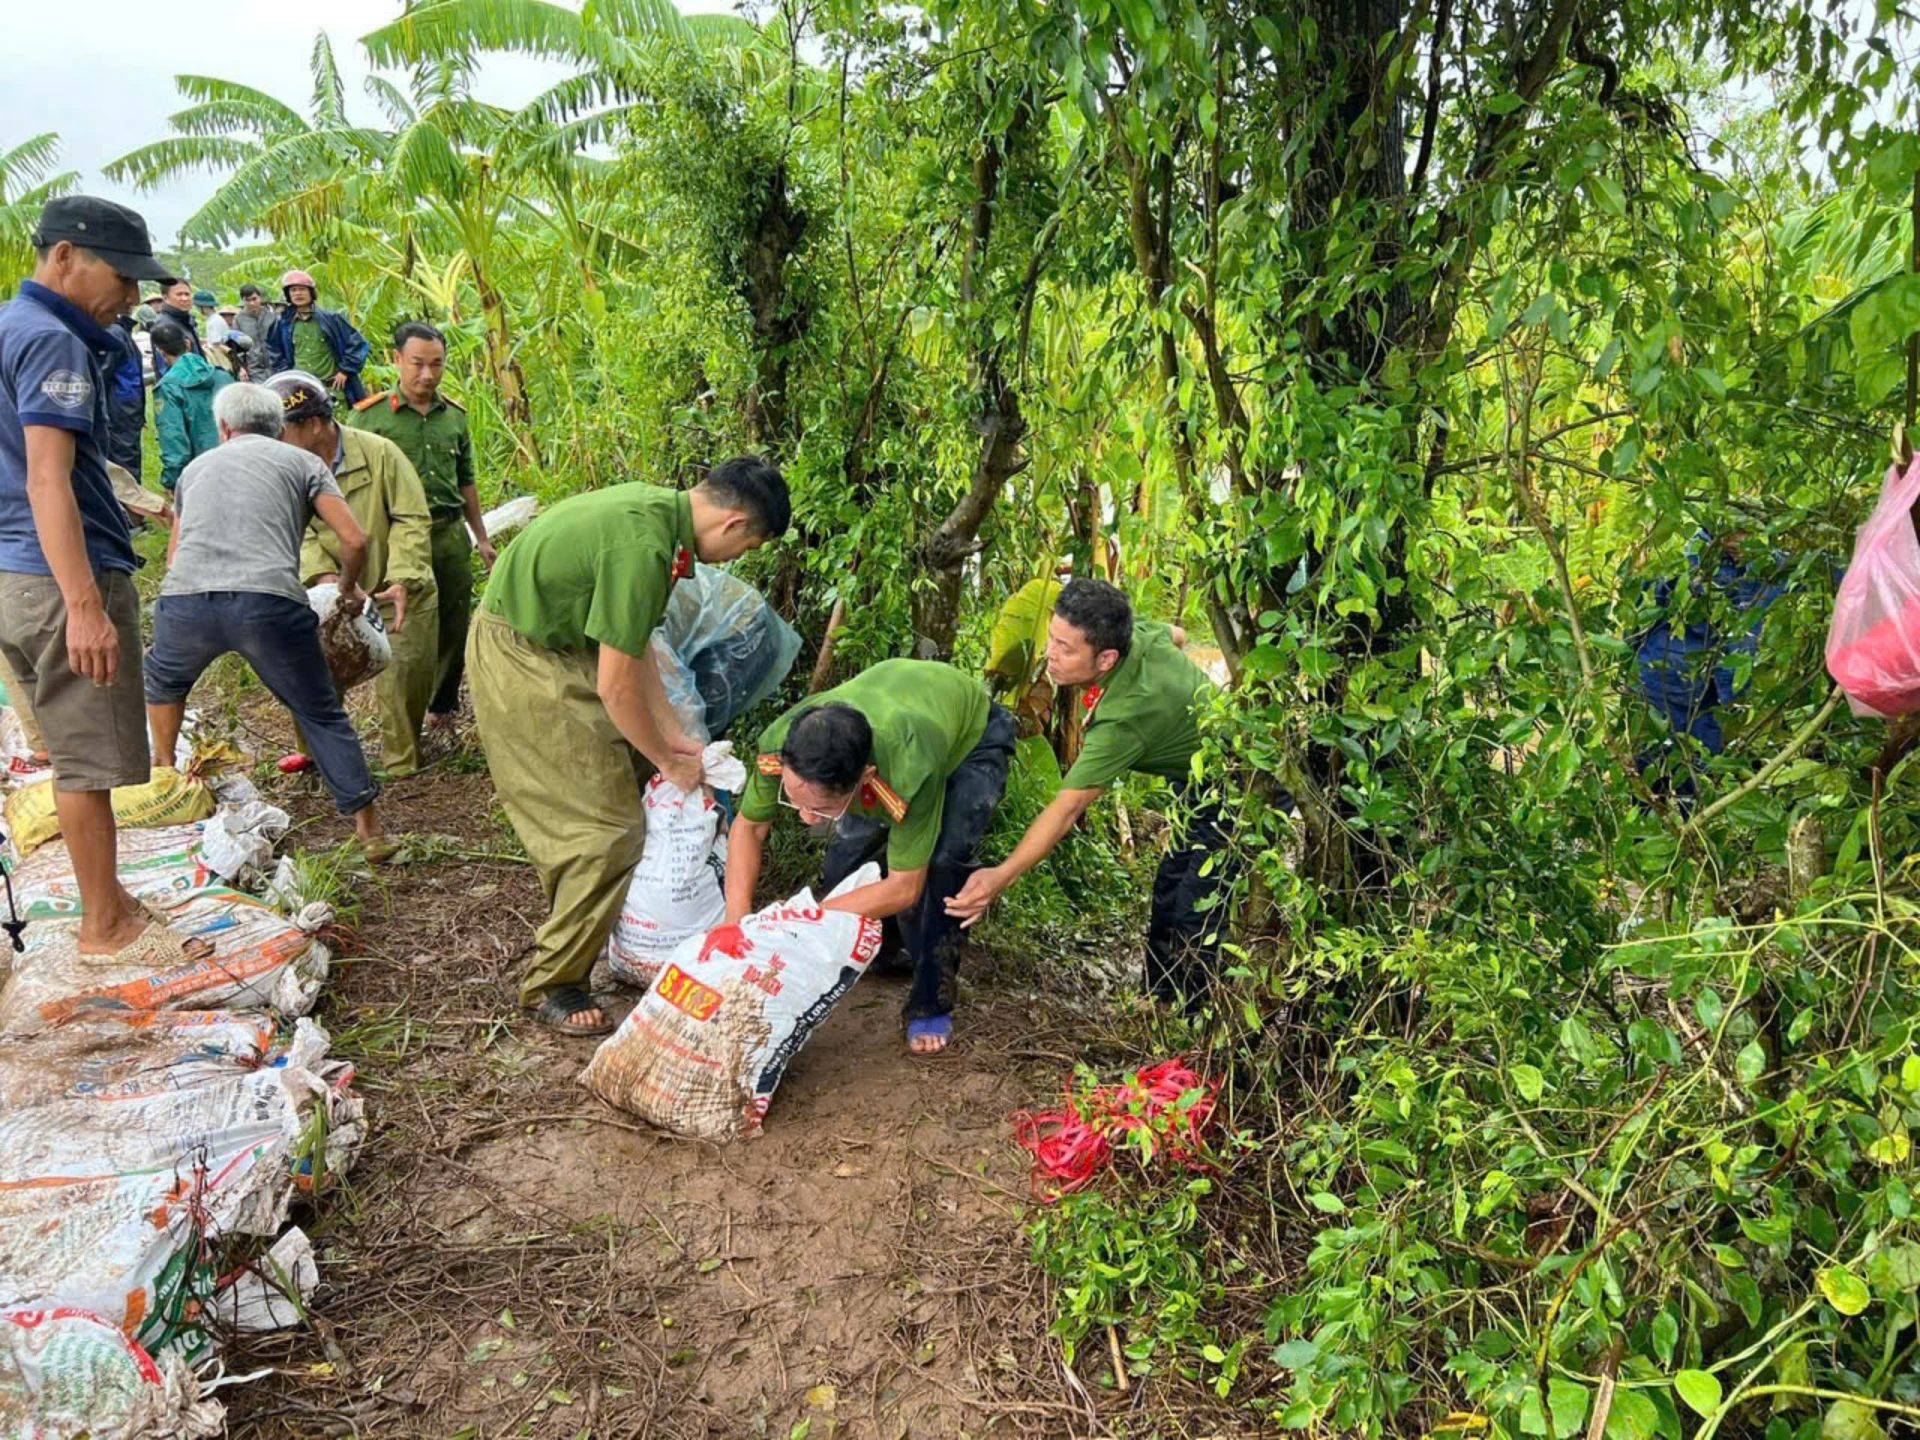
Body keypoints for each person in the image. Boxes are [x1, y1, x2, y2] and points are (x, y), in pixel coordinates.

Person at [469, 457, 789, 1036]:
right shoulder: (644, 547)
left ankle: (614, 929)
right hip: (524, 654)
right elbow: (615, 685)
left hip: (564, 647)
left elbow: (634, 649)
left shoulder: (659, 519)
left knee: (640, 774)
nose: (737, 559)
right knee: (604, 832)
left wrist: (676, 742)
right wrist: (670, 760)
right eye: (747, 548)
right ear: (735, 523)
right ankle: (554, 982)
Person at [0, 195, 210, 968]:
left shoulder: (9, 327)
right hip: (60, 576)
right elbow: (48, 483)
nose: (129, 296)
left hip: (14, 572)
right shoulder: (53, 341)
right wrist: (85, 607)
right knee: (88, 762)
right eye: (120, 277)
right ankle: (105, 927)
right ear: (63, 257)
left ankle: (110, 902)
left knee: (66, 749)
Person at [946, 578, 1231, 1011]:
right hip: (1195, 779)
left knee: (1198, 904)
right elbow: (1178, 635)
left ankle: (1194, 1021)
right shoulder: (1139, 637)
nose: (1050, 655)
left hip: (1239, 783)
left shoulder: (1125, 719)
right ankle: (1156, 1001)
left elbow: (1068, 808)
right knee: (1170, 884)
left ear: (1107, 657)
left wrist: (1000, 876)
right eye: (1052, 639)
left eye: (1066, 648)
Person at [143, 381, 393, 860]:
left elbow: (175, 557)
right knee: (320, 710)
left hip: (187, 600)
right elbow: (355, 540)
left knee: (164, 684)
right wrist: (346, 588)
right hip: (268, 602)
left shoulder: (194, 470)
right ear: (280, 427)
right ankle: (369, 830)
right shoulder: (303, 462)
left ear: (223, 428)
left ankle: (163, 776)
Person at [724, 663, 1014, 1055]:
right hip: (896, 706)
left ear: (866, 778)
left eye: (821, 808)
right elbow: (749, 828)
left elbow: (905, 885)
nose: (806, 817)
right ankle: (888, 949)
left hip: (969, 737)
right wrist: (737, 922)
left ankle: (930, 1001)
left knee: (943, 865)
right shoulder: (781, 744)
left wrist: (803, 919)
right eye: (794, 798)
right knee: (845, 866)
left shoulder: (909, 768)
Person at [275, 369, 438, 776]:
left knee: (402, 676)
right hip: (326, 590)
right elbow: (293, 532)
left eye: (281, 430)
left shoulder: (380, 453)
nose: (274, 441)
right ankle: (320, 758)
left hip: (392, 588)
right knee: (307, 669)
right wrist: (323, 577)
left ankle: (401, 768)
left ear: (313, 425)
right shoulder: (283, 468)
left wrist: (402, 577)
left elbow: (411, 519)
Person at [347, 321, 495, 731]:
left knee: (454, 622)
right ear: (396, 360)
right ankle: (400, 716)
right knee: (402, 626)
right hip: (396, 537)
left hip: (448, 534)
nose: (427, 375)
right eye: (417, 364)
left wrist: (480, 538)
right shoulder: (370, 419)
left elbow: (466, 480)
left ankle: (442, 706)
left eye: (437, 365)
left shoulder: (455, 418)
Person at [150, 320, 232, 492]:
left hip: (200, 474)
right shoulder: (223, 376)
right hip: (236, 465)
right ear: (187, 343)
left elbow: (173, 438)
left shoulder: (168, 387)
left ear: (161, 352)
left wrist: (171, 481)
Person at [268, 270, 369, 403]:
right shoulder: (282, 324)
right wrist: (287, 374)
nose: (298, 293)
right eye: (293, 290)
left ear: (311, 292)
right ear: (288, 295)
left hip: (332, 387)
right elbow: (273, 350)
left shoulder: (331, 319)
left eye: (302, 289)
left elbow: (357, 344)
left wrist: (345, 370)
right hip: (300, 389)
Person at [105, 308, 146, 482]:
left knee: (123, 464)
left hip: (120, 410)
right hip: (128, 407)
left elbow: (101, 373)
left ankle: (129, 506)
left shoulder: (114, 333)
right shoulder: (121, 332)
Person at [149, 277, 201, 377]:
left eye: (187, 294)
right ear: (165, 298)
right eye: (179, 294)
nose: (185, 298)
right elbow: (165, 368)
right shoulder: (164, 326)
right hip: (180, 387)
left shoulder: (187, 321)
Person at [232, 284, 274, 353]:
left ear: (259, 298)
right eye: (247, 300)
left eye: (254, 299)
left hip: (273, 360)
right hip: (251, 362)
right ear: (243, 301)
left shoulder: (271, 316)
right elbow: (237, 344)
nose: (252, 303)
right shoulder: (238, 320)